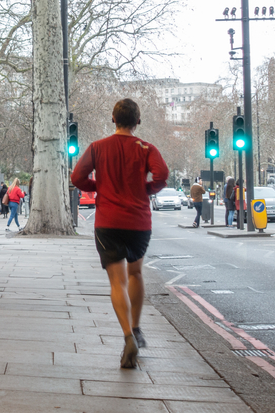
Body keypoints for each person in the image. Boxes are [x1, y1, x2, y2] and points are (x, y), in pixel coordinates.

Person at [70, 98, 169, 369]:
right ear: (138, 121)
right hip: (138, 222)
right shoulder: (147, 148)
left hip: (108, 221)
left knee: (117, 282)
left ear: (113, 119)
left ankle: (127, 336)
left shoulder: (98, 148)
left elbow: (77, 178)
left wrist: (100, 185)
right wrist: (145, 190)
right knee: (136, 273)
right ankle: (137, 328)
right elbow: (162, 176)